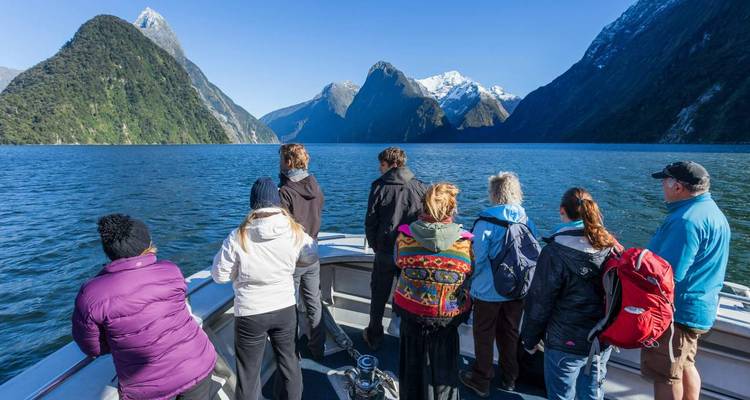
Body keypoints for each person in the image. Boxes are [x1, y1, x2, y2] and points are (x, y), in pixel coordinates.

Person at [72, 214, 217, 400]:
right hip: (197, 364)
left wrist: (121, 340)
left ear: (108, 251)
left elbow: (92, 348)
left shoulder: (91, 294)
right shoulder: (170, 270)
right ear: (148, 245)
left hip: (146, 386)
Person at [212, 177, 317, 400]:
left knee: (249, 374)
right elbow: (311, 255)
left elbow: (219, 275)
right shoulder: (294, 231)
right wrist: (289, 264)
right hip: (284, 307)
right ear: (277, 202)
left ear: (254, 204)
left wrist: (239, 274)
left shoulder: (237, 236)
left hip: (250, 312)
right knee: (289, 362)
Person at [642, 161, 731, 400]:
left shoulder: (685, 221)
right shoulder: (713, 212)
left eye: (664, 181)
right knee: (685, 364)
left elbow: (667, 274)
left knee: (666, 374)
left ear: (678, 186)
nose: (662, 186)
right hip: (699, 306)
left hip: (676, 312)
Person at [521, 187, 619, 400]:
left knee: (561, 395)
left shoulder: (555, 251)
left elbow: (539, 302)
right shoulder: (610, 246)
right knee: (593, 393)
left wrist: (529, 341)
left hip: (564, 340)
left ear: (562, 211)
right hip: (601, 338)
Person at [459, 172, 538, 396]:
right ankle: (510, 378)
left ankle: (481, 379)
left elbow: (477, 258)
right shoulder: (526, 220)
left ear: (493, 193)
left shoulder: (486, 222)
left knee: (484, 335)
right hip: (517, 291)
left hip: (487, 292)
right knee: (510, 333)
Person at [393, 182, 474, 400]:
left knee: (411, 370)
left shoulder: (404, 236)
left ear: (424, 206)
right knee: (446, 373)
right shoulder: (465, 242)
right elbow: (469, 273)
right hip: (448, 315)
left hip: (412, 312)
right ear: (451, 209)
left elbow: (399, 263)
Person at [363, 146, 428, 350]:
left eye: (382, 164)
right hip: (410, 251)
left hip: (385, 250)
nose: (379, 169)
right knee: (408, 296)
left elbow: (370, 222)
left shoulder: (379, 187)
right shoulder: (421, 187)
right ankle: (406, 337)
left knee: (379, 295)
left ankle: (374, 335)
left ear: (393, 165)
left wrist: (375, 245)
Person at [278, 143, 326, 360]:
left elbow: (282, 229)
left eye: (281, 159)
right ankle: (318, 348)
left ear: (288, 162)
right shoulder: (316, 188)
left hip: (293, 257)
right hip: (312, 252)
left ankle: (293, 351)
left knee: (289, 304)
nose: (279, 163)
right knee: (314, 302)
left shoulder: (285, 192)